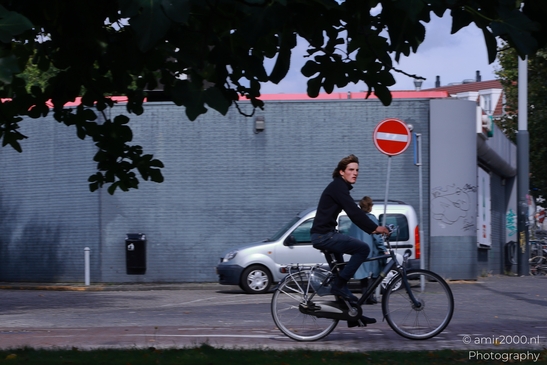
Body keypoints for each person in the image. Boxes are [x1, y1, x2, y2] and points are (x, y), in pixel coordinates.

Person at [310, 154, 390, 309]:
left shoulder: (339, 187)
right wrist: (375, 228)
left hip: (326, 234)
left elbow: (354, 212)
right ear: (342, 172)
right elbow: (354, 212)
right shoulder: (338, 187)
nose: (355, 173)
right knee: (363, 249)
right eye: (351, 170)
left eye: (357, 170)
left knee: (341, 274)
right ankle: (339, 287)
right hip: (324, 236)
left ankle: (352, 314)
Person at [348, 196, 388, 305]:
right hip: (371, 251)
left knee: (363, 276)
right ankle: (369, 297)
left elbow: (350, 234)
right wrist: (383, 249)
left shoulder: (356, 219)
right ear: (370, 206)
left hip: (358, 250)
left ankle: (365, 296)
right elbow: (377, 237)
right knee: (373, 275)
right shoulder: (371, 218)